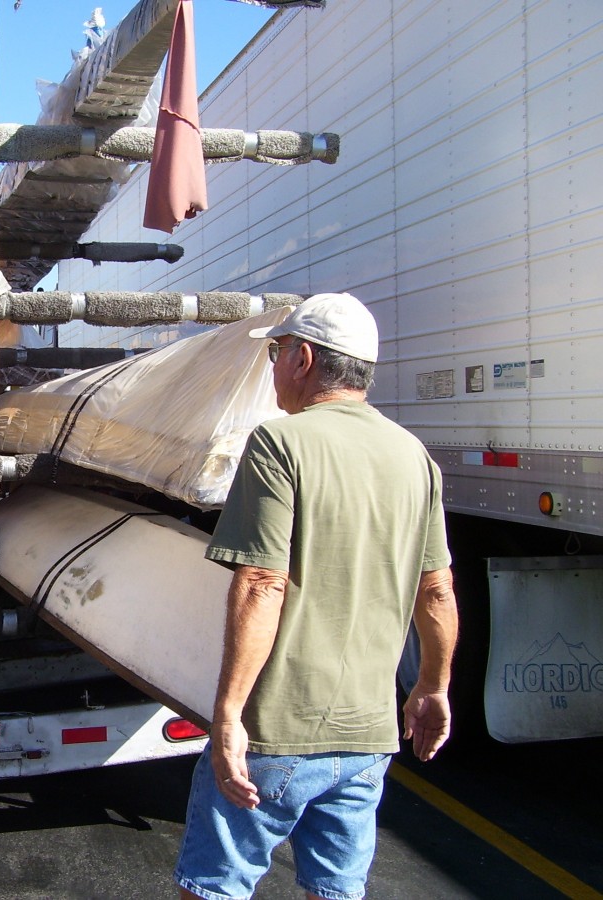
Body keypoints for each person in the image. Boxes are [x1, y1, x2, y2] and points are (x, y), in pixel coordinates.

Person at [175, 292, 459, 900]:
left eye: (276, 352)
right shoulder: (416, 458)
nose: (273, 366)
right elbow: (436, 591)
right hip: (370, 737)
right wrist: (433, 688)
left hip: (279, 728)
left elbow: (261, 581)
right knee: (335, 891)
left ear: (303, 358)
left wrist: (227, 717)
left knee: (213, 888)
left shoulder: (280, 444)